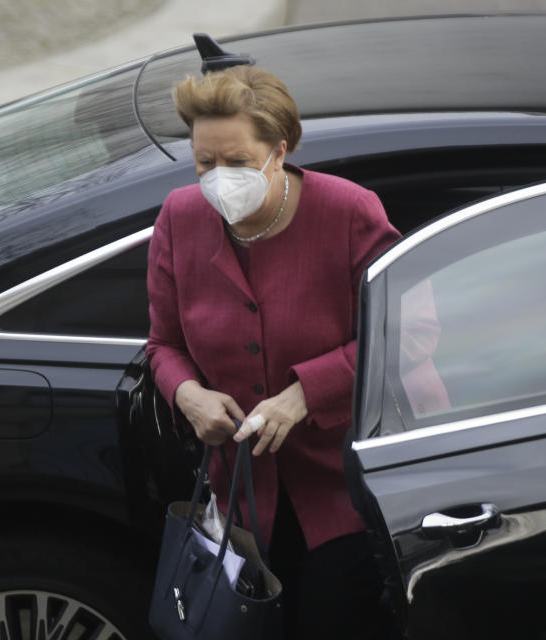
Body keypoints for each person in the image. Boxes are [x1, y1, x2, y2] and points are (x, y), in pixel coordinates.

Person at [145, 65, 400, 638]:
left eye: (236, 162)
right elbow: (163, 344)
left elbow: (410, 333)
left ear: (279, 152)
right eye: (204, 163)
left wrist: (306, 393)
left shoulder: (349, 212)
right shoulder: (180, 219)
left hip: (346, 492)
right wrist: (189, 396)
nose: (218, 178)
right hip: (241, 504)